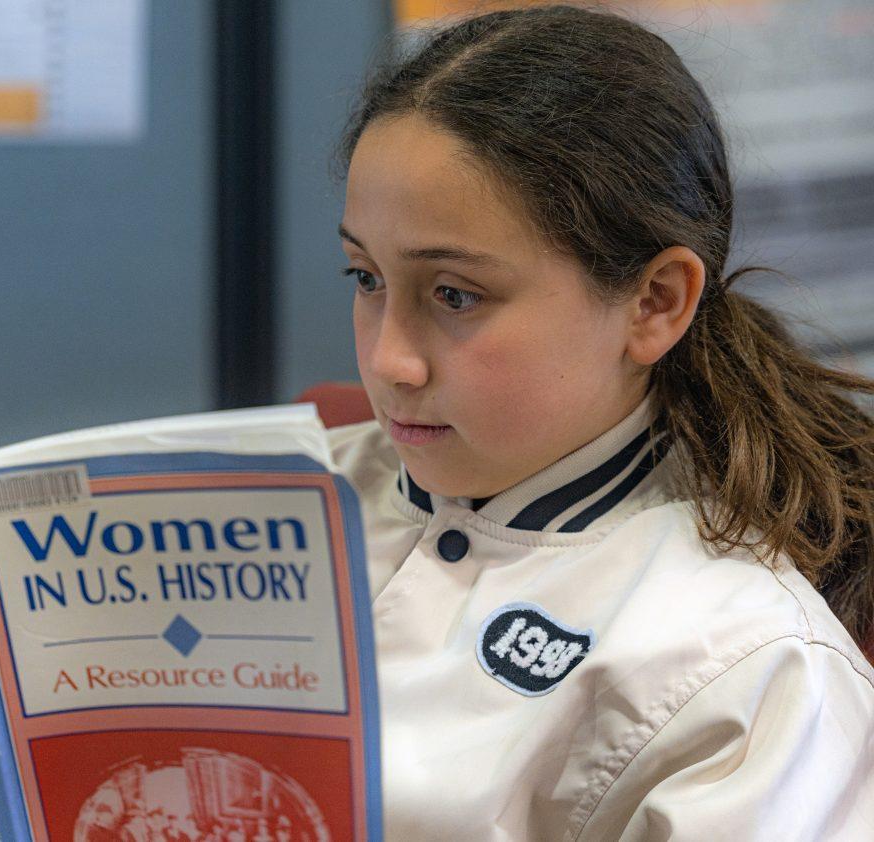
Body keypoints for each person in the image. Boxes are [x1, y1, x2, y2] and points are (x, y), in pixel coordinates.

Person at [326, 5, 874, 840]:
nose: (390, 360)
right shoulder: (284, 493)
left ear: (654, 304)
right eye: (366, 279)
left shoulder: (743, 665)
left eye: (455, 295)